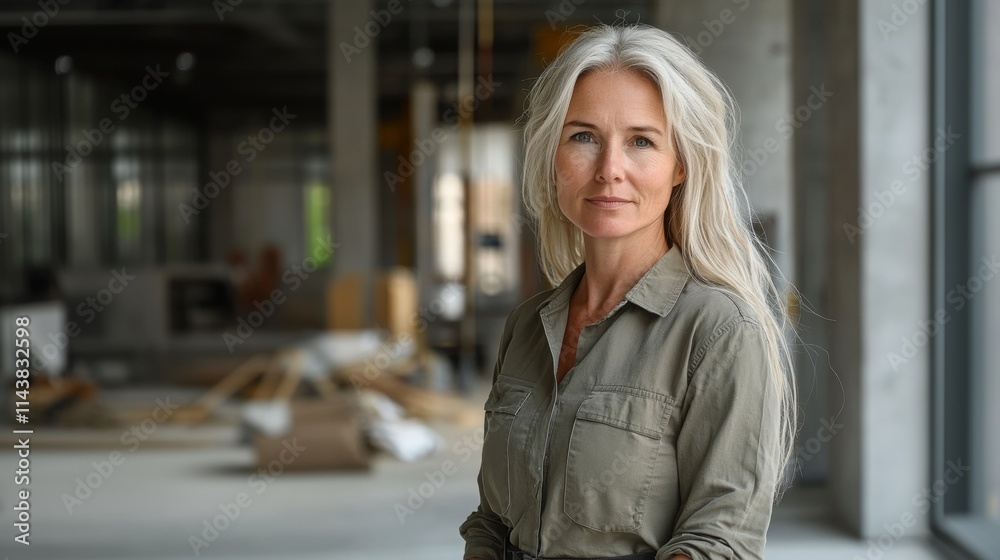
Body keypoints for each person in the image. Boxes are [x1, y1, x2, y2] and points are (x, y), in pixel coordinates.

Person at [459, 24, 797, 560]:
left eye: (641, 140)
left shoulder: (720, 330)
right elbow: (490, 519)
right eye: (584, 137)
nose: (609, 170)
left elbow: (720, 541)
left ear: (680, 163)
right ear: (553, 157)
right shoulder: (525, 327)